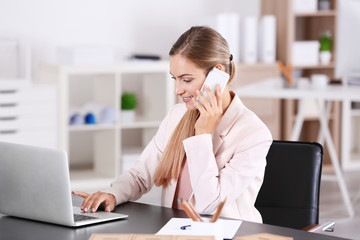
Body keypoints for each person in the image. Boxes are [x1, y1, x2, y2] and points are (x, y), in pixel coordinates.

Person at [73, 26, 272, 222]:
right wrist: (113, 194)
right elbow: (141, 174)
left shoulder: (254, 134)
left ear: (217, 74)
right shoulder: (177, 115)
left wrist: (203, 133)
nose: (177, 90)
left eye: (186, 80)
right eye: (175, 79)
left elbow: (210, 204)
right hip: (176, 232)